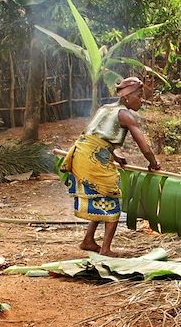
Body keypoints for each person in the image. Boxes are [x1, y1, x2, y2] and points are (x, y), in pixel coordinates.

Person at [61, 76, 160, 256]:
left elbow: (95, 134)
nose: (141, 100)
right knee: (112, 197)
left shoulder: (105, 108)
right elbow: (144, 146)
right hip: (91, 157)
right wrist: (153, 163)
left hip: (83, 151)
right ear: (127, 97)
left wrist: (114, 154)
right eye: (139, 95)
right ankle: (106, 249)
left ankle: (88, 240)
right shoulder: (125, 114)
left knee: (102, 197)